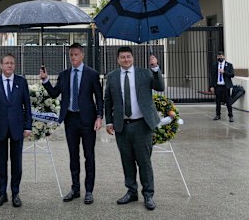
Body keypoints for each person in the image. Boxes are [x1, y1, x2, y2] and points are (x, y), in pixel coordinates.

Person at [38, 43, 103, 205]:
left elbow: (99, 98)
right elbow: (54, 93)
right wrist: (45, 80)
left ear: (82, 55)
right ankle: (75, 188)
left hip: (88, 120)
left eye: (76, 54)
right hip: (70, 120)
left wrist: (99, 116)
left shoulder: (92, 74)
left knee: (89, 156)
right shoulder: (64, 75)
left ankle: (89, 191)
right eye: (71, 55)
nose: (73, 57)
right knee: (73, 156)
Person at [104, 47, 165, 211]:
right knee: (127, 161)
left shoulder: (145, 73)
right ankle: (131, 191)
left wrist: (155, 68)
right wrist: (109, 122)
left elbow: (160, 87)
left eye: (128, 57)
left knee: (144, 161)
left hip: (142, 125)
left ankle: (148, 195)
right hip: (122, 126)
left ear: (133, 58)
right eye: (122, 57)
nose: (126, 59)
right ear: (118, 59)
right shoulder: (112, 77)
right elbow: (108, 101)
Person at [0, 53, 32, 208]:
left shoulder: (21, 82)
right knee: (1, 163)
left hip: (17, 128)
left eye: (12, 63)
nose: (9, 66)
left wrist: (28, 126)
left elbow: (27, 106)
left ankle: (15, 193)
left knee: (17, 163)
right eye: (6, 63)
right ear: (1, 65)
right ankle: (1, 193)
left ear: (15, 65)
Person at [210, 51, 235, 122]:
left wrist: (224, 72)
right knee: (218, 101)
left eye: (221, 56)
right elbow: (213, 76)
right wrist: (212, 86)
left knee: (228, 102)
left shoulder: (229, 65)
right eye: (218, 56)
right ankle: (218, 115)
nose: (220, 57)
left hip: (225, 86)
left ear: (224, 57)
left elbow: (232, 75)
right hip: (218, 86)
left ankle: (230, 116)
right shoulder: (215, 65)